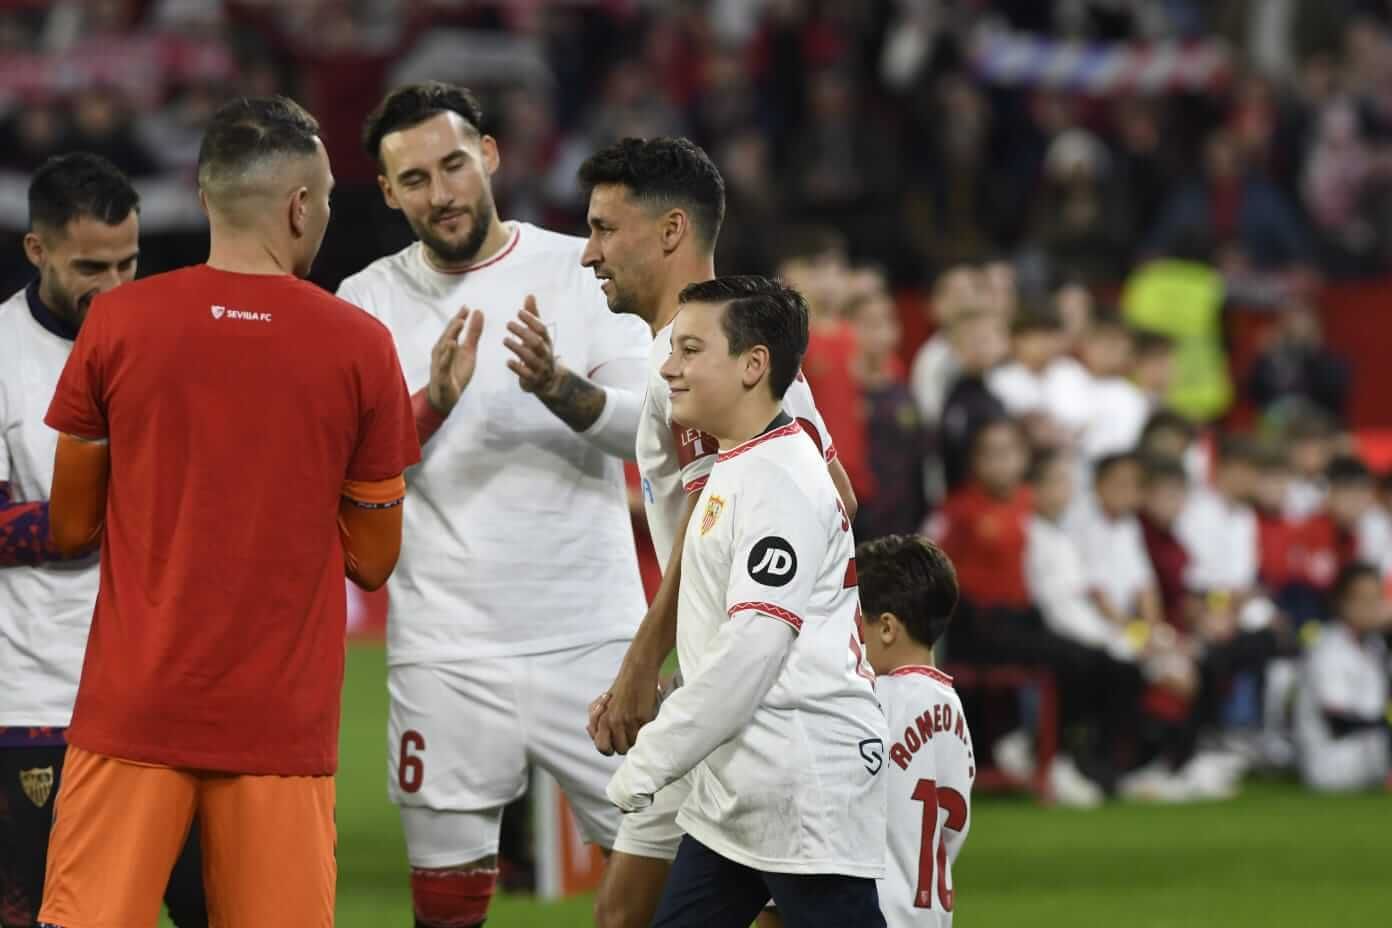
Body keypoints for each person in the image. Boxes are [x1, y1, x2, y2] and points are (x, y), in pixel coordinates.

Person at [37, 96, 418, 927]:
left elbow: (71, 526)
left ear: (206, 199)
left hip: (131, 711)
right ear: (298, 207)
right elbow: (374, 560)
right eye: (321, 201)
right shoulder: (359, 345)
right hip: (280, 725)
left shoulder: (118, 324)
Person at [334, 82, 652, 928]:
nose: (440, 194)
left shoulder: (582, 270)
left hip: (595, 636)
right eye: (414, 180)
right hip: (444, 646)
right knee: (446, 897)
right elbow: (341, 472)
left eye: (452, 164)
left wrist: (558, 387)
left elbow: (644, 435)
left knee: (661, 874)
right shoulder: (362, 306)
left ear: (490, 155)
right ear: (389, 192)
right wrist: (430, 402)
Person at [575, 136, 854, 928]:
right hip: (734, 682)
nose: (590, 254)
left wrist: (643, 662)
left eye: (603, 229)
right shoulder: (741, 348)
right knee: (629, 913)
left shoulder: (695, 362)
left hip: (762, 703)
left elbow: (712, 522)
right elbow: (840, 495)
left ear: (669, 232)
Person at [606, 276, 887, 928]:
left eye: (691, 350)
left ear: (753, 366)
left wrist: (649, 760)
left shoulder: (781, 484)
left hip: (801, 778)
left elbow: (754, 648)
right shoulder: (738, 462)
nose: (669, 368)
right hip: (736, 786)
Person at [0, 154, 206, 928]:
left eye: (129, 262)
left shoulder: (175, 346)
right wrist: (95, 514)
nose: (115, 287)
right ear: (37, 250)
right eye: (91, 266)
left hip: (175, 691)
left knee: (217, 908)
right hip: (43, 697)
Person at [857, 534, 974, 927]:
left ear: (887, 628)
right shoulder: (951, 705)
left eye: (856, 623)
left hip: (877, 912)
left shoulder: (875, 697)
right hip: (930, 912)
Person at [1294, 562, 1391, 792]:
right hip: (1332, 762)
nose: (1373, 608)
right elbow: (1339, 721)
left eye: (1377, 599)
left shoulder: (1375, 645)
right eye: (1364, 600)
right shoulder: (1326, 647)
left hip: (1369, 753)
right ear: (1341, 603)